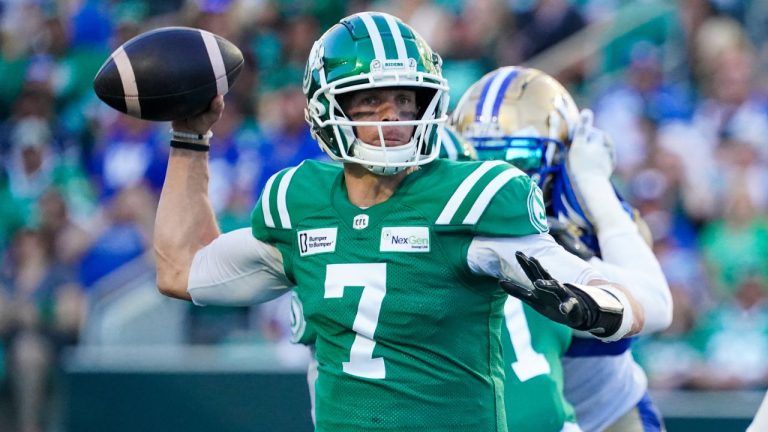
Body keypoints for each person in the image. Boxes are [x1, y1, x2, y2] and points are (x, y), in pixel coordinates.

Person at [154, 12, 646, 431]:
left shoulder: (471, 197)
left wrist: (599, 308)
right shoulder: (297, 201)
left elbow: (591, 285)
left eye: (405, 101)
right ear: (328, 107)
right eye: (370, 102)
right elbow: (181, 269)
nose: (393, 119)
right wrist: (189, 138)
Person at [453, 66, 672, 432]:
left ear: (562, 160)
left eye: (517, 157)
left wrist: (593, 187)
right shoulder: (451, 223)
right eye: (479, 158)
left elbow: (657, 307)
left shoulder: (581, 218)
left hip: (608, 416)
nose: (498, 176)